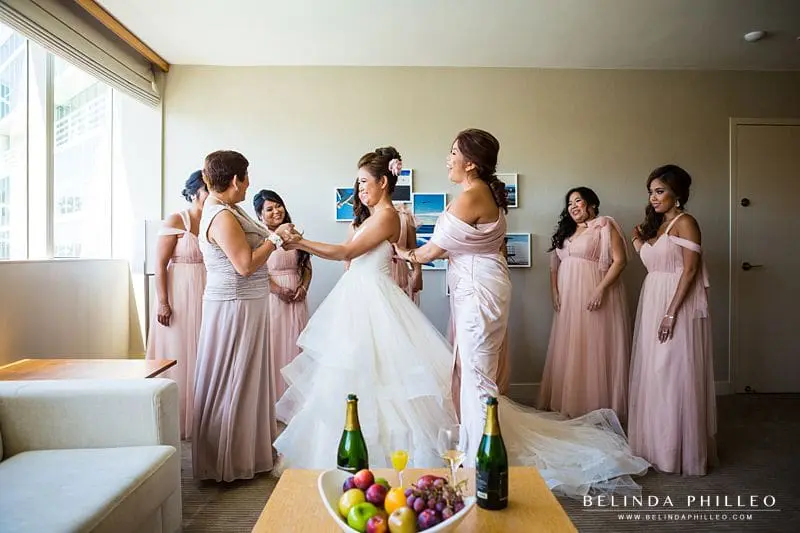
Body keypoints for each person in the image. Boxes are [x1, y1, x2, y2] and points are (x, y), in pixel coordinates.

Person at [396, 129, 649, 498]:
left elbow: (432, 250)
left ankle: (483, 460)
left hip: (478, 290)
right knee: (473, 369)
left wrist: (403, 253)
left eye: (452, 153)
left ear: (471, 162)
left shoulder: (470, 196)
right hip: (485, 284)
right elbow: (478, 247)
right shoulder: (487, 196)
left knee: (478, 374)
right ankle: (478, 444)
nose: (447, 159)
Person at [272, 146, 458, 471]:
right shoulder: (376, 217)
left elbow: (346, 251)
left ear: (384, 182)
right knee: (350, 376)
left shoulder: (387, 216)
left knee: (377, 377)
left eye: (363, 182)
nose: (359, 190)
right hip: (359, 297)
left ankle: (377, 458)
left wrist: (300, 242)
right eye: (357, 184)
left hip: (373, 300)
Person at [191, 150, 295, 482]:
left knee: (248, 377)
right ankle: (228, 460)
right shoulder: (221, 216)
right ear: (235, 180)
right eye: (246, 177)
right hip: (235, 306)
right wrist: (277, 239)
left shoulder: (227, 208)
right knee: (233, 378)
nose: (249, 183)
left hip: (247, 303)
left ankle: (249, 451)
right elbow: (245, 264)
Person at [629, 164, 717, 475]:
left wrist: (670, 313)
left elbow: (690, 271)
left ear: (677, 194)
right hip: (653, 297)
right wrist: (639, 242)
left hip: (675, 303)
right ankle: (654, 446)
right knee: (654, 372)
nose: (653, 198)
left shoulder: (686, 222)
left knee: (672, 373)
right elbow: (655, 263)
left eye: (660, 191)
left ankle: (676, 452)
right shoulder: (659, 226)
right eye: (651, 192)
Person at [538, 187, 631, 422]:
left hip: (594, 293)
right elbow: (553, 266)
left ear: (591, 204)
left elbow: (620, 261)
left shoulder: (604, 225)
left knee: (592, 346)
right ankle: (570, 402)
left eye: (578, 201)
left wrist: (600, 289)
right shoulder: (566, 231)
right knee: (572, 346)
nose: (573, 206)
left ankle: (594, 405)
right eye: (569, 203)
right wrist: (554, 291)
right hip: (568, 298)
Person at [146, 170, 208, 439]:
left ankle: (201, 418)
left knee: (201, 351)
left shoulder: (213, 220)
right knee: (178, 351)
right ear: (195, 192)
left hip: (206, 289)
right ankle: (171, 419)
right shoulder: (177, 219)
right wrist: (163, 302)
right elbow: (159, 264)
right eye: (207, 191)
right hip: (178, 291)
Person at [254, 189, 312, 401]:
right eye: (269, 209)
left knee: (297, 345)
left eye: (278, 205)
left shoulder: (293, 232)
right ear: (260, 215)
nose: (276, 211)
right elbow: (256, 269)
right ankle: (273, 398)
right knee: (274, 346)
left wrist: (303, 288)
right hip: (272, 298)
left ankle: (295, 400)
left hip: (297, 299)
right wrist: (278, 290)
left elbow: (306, 265)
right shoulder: (259, 238)